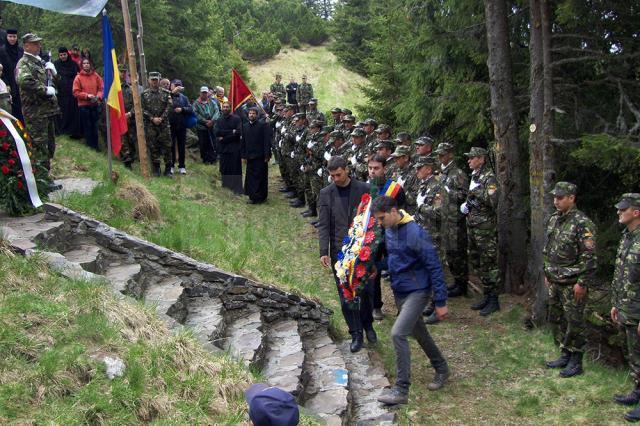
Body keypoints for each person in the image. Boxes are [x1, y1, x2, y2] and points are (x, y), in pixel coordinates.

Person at [372, 195, 450, 405]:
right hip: (400, 290)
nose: (380, 223)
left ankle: (401, 389)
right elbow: (396, 259)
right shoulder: (389, 230)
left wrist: (441, 301)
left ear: (394, 211)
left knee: (398, 333)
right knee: (419, 332)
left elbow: (434, 266)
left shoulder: (415, 233)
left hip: (417, 291)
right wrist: (376, 268)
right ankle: (442, 368)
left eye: (381, 218)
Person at [318, 156, 376, 352]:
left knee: (365, 292)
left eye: (338, 174)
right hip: (340, 252)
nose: (335, 178)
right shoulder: (326, 194)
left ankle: (368, 325)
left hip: (362, 251)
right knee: (346, 295)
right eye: (332, 175)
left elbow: (372, 222)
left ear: (347, 170)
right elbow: (324, 224)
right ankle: (356, 332)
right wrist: (323, 251)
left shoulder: (364, 190)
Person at [544, 181, 597, 378]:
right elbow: (548, 248)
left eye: (560, 198)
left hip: (572, 282)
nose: (555, 201)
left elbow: (589, 257)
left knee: (575, 322)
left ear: (571, 198)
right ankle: (564, 353)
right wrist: (547, 273)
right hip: (555, 279)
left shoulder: (583, 223)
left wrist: (581, 283)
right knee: (557, 319)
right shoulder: (554, 219)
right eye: (554, 197)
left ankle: (576, 360)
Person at [609, 194, 640, 422]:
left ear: (636, 212)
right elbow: (621, 275)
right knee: (634, 356)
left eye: (623, 210)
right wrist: (615, 303)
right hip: (626, 307)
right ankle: (638, 392)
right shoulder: (627, 237)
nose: (619, 213)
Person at [460, 147, 500, 315]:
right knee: (477, 261)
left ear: (481, 159)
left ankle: (494, 299)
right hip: (473, 225)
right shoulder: (475, 176)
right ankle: (486, 294)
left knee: (489, 263)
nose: (469, 161)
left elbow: (493, 200)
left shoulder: (489, 177)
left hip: (485, 229)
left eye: (472, 158)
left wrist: (476, 191)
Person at [368, 154, 406, 321]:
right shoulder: (364, 187)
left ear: (384, 168)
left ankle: (402, 306)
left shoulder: (395, 189)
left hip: (392, 236)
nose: (372, 171)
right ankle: (376, 306)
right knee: (372, 271)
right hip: (371, 238)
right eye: (370, 168)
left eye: (376, 168)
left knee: (397, 270)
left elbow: (403, 212)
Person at [16, 33, 60, 171]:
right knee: (39, 146)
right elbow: (24, 81)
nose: (39, 46)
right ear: (26, 45)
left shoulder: (39, 62)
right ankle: (41, 180)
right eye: (35, 44)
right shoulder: (23, 63)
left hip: (46, 111)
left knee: (49, 145)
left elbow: (54, 84)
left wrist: (54, 74)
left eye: (39, 43)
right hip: (35, 113)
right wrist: (44, 90)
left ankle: (46, 175)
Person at [434, 142, 469, 297]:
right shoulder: (442, 173)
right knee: (449, 252)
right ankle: (456, 281)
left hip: (455, 219)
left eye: (443, 154)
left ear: (450, 154)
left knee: (457, 252)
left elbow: (465, 196)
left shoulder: (458, 174)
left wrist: (449, 192)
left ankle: (462, 284)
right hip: (444, 218)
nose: (440, 157)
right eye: (439, 155)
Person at [141, 71, 172, 177]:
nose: (154, 82)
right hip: (150, 124)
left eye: (156, 80)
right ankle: (156, 169)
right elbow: (142, 108)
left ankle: (168, 169)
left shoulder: (166, 93)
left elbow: (169, 107)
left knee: (167, 146)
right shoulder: (144, 94)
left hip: (164, 125)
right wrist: (152, 118)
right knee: (153, 146)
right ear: (149, 80)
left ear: (159, 80)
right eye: (152, 80)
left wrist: (161, 118)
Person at [241, 107, 271, 204]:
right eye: (250, 113)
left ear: (257, 115)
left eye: (253, 113)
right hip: (250, 156)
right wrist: (243, 156)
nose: (251, 115)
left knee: (260, 176)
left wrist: (267, 155)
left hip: (261, 156)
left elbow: (266, 141)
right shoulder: (245, 126)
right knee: (251, 177)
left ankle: (261, 197)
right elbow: (243, 142)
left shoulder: (263, 125)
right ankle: (253, 196)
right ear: (248, 115)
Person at [72, 58, 103, 151]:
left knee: (95, 126)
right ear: (82, 65)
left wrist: (98, 96)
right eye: (84, 63)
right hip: (84, 105)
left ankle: (96, 146)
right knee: (87, 126)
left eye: (88, 63)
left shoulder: (96, 76)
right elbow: (75, 92)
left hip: (95, 104)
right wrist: (87, 96)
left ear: (90, 64)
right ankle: (90, 146)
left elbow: (101, 88)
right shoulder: (78, 77)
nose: (86, 65)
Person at [215, 101, 243, 194]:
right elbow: (217, 132)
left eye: (227, 107)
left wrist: (224, 137)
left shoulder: (237, 119)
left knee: (235, 168)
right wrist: (231, 131)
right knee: (224, 167)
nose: (225, 108)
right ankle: (226, 186)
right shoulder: (219, 120)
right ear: (222, 108)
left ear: (230, 108)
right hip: (223, 148)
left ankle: (237, 188)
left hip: (234, 147)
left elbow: (238, 132)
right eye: (224, 107)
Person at [54, 47, 80, 137]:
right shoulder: (56, 64)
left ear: (67, 54)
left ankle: (72, 129)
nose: (63, 57)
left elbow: (78, 76)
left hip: (72, 92)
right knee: (62, 111)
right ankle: (62, 129)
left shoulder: (73, 64)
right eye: (61, 55)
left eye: (64, 55)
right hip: (61, 93)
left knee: (72, 111)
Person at [167, 79, 191, 175]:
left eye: (179, 85)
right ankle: (171, 165)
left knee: (181, 146)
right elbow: (165, 105)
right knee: (171, 145)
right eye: (175, 85)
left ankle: (182, 166)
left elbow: (190, 108)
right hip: (171, 124)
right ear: (171, 86)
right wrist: (172, 93)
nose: (177, 87)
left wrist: (182, 109)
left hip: (182, 125)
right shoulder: (168, 95)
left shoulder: (184, 98)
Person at [192, 86, 220, 164]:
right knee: (203, 143)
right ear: (200, 93)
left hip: (212, 126)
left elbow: (217, 112)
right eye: (203, 92)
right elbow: (195, 114)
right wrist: (205, 121)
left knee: (213, 142)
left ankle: (213, 158)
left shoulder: (212, 102)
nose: (204, 94)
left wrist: (212, 121)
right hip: (201, 127)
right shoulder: (196, 103)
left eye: (206, 92)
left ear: (208, 93)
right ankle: (205, 159)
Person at [0, 29, 23, 122]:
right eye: (10, 36)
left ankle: (24, 130)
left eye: (14, 37)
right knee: (11, 108)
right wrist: (6, 83)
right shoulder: (2, 51)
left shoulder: (20, 50)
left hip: (20, 82)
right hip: (8, 83)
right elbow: (1, 70)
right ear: (7, 37)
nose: (12, 39)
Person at [119, 66, 137, 169]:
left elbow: (137, 104)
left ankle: (132, 158)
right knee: (123, 140)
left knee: (131, 140)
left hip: (130, 119)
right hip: (119, 119)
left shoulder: (131, 89)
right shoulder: (114, 89)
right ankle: (127, 161)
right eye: (121, 72)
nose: (123, 74)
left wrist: (130, 113)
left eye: (124, 72)